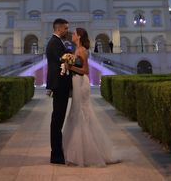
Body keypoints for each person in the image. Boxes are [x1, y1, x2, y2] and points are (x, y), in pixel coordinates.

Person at [61, 27, 120, 167]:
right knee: (77, 112)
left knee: (81, 112)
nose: (72, 35)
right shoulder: (77, 49)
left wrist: (70, 67)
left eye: (74, 34)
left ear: (79, 36)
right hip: (77, 82)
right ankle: (77, 150)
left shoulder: (81, 50)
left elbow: (86, 70)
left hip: (81, 83)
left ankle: (86, 152)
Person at [45, 18, 72, 165]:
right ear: (59, 28)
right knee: (57, 120)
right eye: (66, 28)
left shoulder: (57, 42)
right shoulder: (54, 43)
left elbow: (64, 60)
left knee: (58, 119)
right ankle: (56, 154)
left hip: (61, 85)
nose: (67, 31)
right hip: (59, 85)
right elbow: (62, 62)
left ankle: (57, 151)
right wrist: (73, 59)